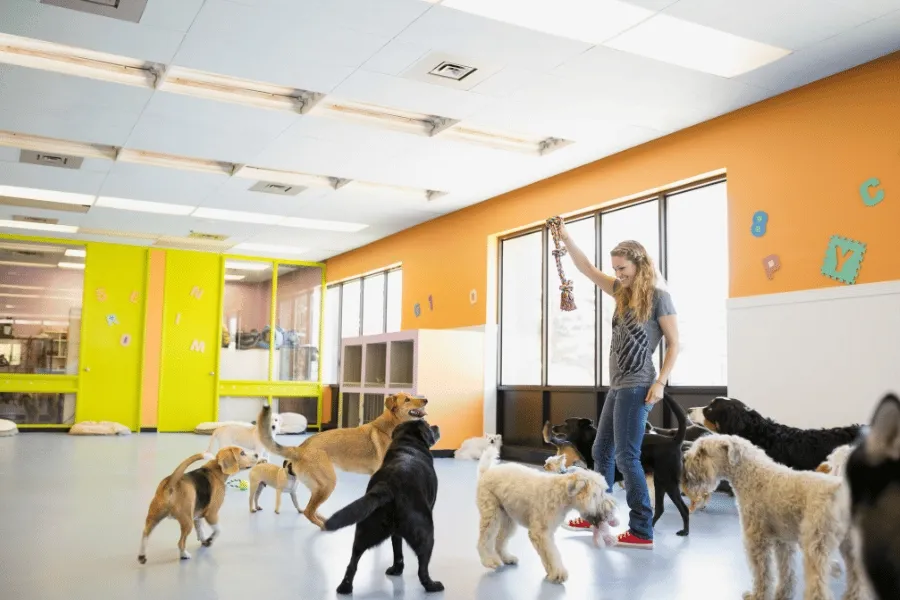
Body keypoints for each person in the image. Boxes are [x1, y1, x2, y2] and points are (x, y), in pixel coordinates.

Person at [554, 220, 679, 549]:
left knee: (627, 456)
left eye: (622, 268)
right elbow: (586, 268)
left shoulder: (659, 298)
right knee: (601, 450)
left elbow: (675, 343)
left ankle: (641, 529)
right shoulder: (621, 292)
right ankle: (597, 514)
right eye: (616, 268)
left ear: (640, 264)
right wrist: (566, 238)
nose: (618, 273)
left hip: (638, 385)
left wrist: (662, 382)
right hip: (619, 385)